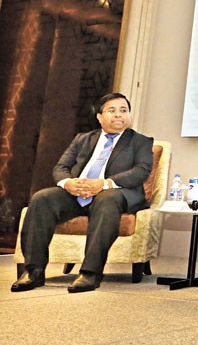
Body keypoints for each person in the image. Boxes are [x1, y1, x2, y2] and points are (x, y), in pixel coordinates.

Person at [12, 93, 154, 293]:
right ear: (99, 116)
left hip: (116, 193)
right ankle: (33, 271)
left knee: (107, 198)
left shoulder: (141, 141)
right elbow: (61, 167)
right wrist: (68, 183)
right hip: (78, 193)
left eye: (124, 110)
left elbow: (141, 170)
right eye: (112, 111)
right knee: (42, 198)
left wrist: (104, 184)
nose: (119, 115)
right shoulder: (82, 139)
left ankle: (90, 273)